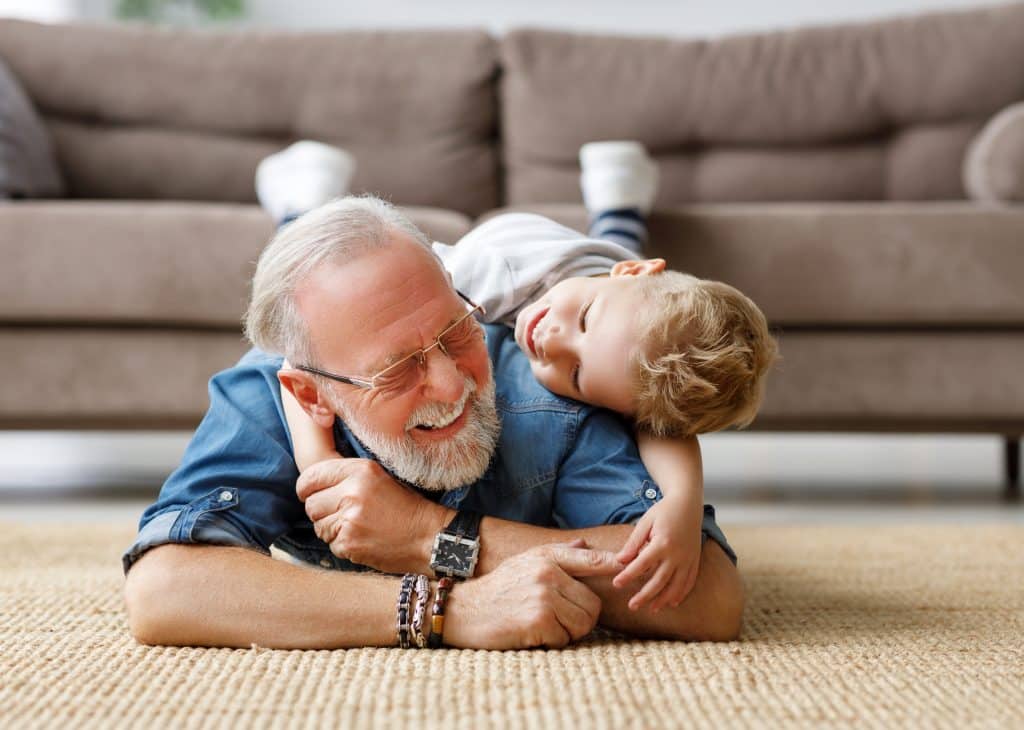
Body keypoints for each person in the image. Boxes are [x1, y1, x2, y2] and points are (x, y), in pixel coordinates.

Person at [120, 149, 746, 652]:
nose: (451, 385)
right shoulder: (267, 390)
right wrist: (445, 609)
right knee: (301, 264)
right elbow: (164, 588)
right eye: (397, 370)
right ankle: (298, 203)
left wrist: (430, 537)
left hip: (538, 260)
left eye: (456, 333)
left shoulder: (554, 378)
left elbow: (709, 596)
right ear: (312, 396)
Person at [276, 141, 778, 613]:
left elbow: (661, 425)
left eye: (576, 374)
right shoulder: (482, 278)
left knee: (615, 266)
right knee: (317, 273)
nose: (550, 340)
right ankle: (300, 207)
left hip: (602, 280)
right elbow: (306, 348)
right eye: (585, 321)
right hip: (545, 262)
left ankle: (620, 211)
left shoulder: (617, 327)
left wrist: (683, 505)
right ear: (631, 274)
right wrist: (320, 463)